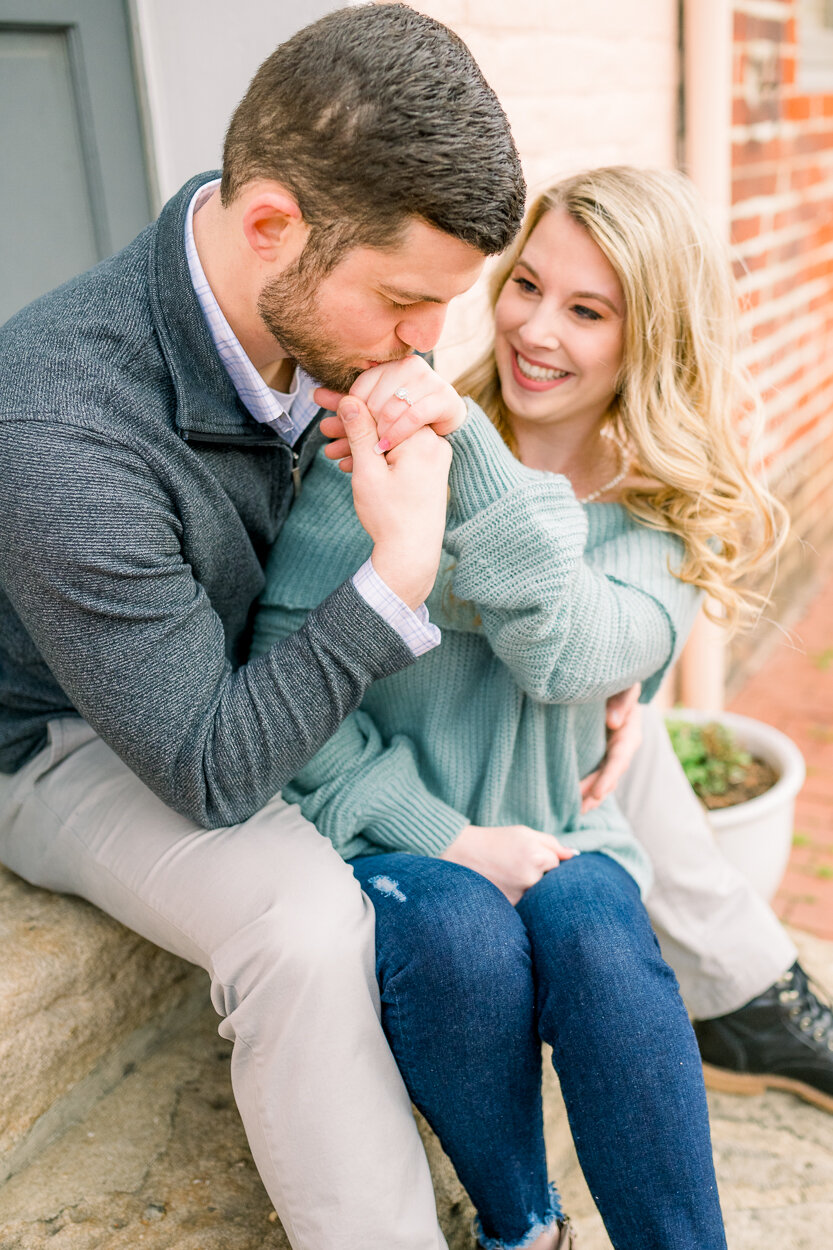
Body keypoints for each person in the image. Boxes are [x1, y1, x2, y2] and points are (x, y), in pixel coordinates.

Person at [0, 7, 528, 1249]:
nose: (425, 346)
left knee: (581, 682)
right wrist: (396, 571)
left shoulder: (302, 294)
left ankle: (731, 980)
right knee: (298, 925)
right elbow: (211, 767)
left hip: (261, 656)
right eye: (406, 301)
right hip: (68, 730)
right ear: (272, 225)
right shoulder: (57, 429)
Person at [250, 166, 793, 1249]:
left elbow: (572, 653)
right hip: (379, 840)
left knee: (597, 928)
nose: (533, 329)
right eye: (525, 284)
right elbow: (283, 670)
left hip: (560, 836)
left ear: (653, 339)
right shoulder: (381, 444)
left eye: (587, 311)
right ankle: (522, 1226)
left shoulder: (663, 524)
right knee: (456, 931)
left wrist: (474, 450)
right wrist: (445, 835)